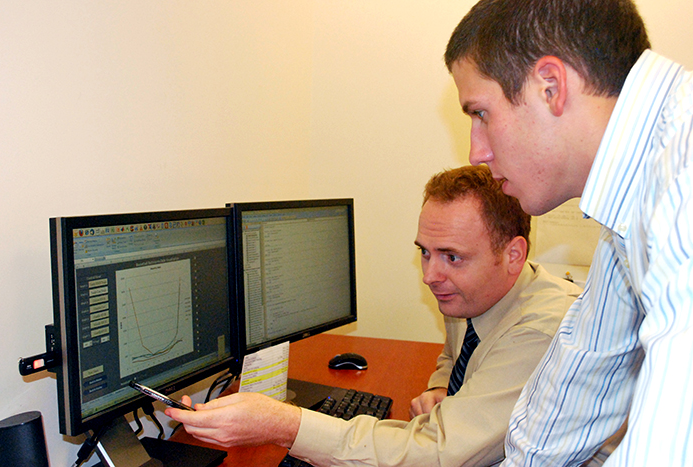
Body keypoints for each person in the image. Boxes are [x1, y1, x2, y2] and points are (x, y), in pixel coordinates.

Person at [166, 165, 581, 466]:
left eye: (452, 257)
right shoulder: (474, 292)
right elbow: (454, 357)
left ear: (514, 255)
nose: (430, 275)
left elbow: (438, 454)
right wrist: (442, 388)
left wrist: (285, 425)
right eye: (424, 251)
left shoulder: (543, 331)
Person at [444, 0, 693, 466]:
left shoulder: (683, 182)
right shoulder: (634, 199)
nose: (476, 152)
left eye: (480, 113)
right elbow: (578, 386)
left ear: (550, 86)